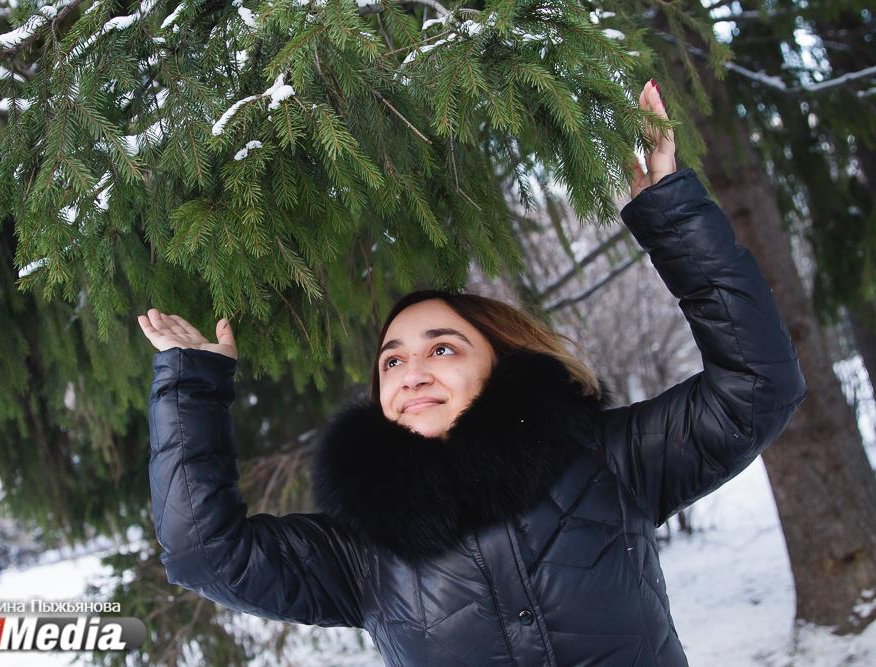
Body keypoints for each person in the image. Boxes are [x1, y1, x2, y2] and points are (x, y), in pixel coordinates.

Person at [137, 80, 808, 666]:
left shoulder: (606, 461)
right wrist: (193, 384)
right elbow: (204, 553)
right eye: (392, 359)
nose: (411, 370)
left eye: (443, 348)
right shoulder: (361, 548)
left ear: (502, 361)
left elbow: (757, 387)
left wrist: (673, 214)